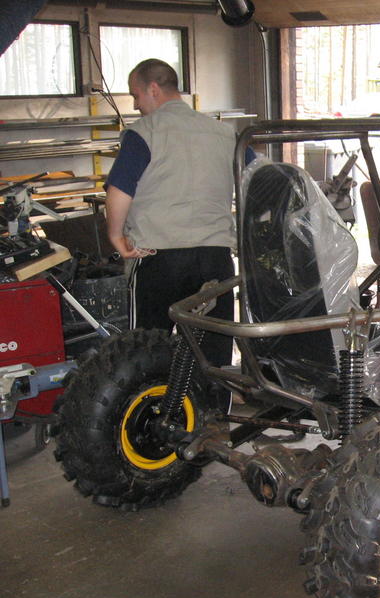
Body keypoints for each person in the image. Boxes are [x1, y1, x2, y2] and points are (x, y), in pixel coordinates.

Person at [105, 58, 238, 367]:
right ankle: (213, 400)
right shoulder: (225, 134)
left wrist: (116, 236)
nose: (136, 105)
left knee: (147, 352)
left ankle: (159, 400)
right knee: (213, 355)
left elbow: (119, 190)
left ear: (153, 89)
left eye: (136, 95)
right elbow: (259, 178)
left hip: (158, 257)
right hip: (215, 259)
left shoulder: (144, 132)